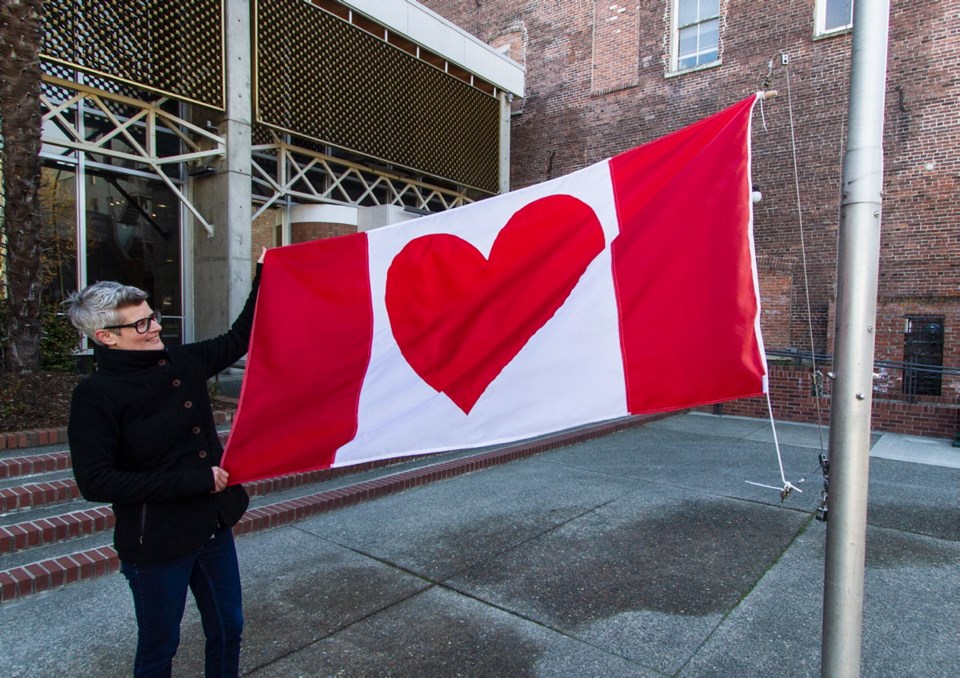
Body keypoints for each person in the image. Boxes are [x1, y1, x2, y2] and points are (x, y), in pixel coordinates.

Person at [65, 251, 265, 678]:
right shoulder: (96, 395)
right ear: (106, 337)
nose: (156, 327)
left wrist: (265, 276)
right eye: (141, 324)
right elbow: (97, 481)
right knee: (160, 647)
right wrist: (195, 480)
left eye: (152, 316)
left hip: (212, 525)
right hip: (155, 543)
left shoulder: (181, 361)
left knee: (229, 627)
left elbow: (238, 339)